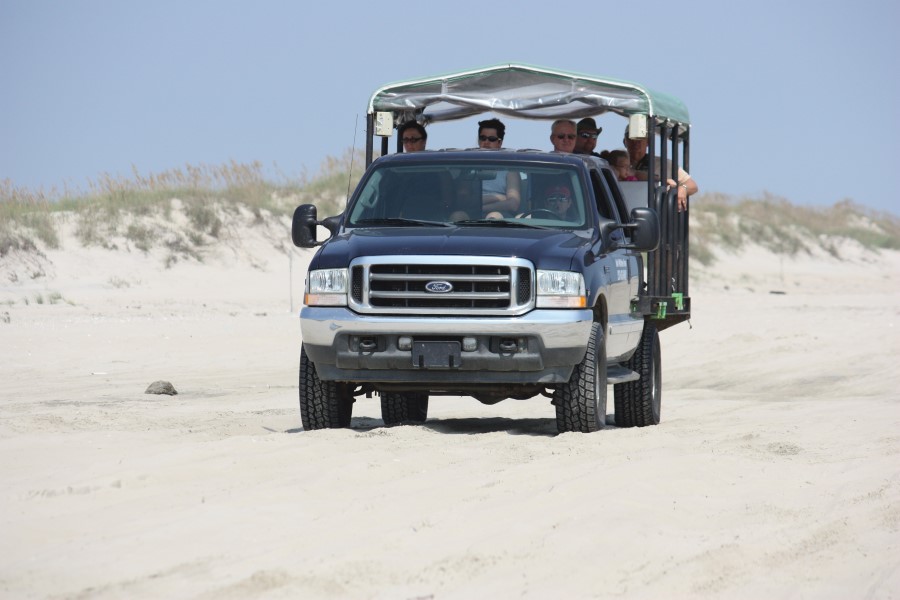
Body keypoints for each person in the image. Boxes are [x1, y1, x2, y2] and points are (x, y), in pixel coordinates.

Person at [624, 125, 698, 211]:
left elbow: (693, 185)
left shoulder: (665, 164)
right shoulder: (616, 163)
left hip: (655, 216)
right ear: (625, 142)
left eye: (640, 138)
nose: (635, 143)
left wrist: (683, 188)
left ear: (648, 142)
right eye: (631, 138)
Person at [477, 118, 521, 216]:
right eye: (483, 138)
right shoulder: (468, 169)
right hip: (470, 216)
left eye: (491, 139)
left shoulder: (510, 170)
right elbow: (464, 201)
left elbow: (513, 204)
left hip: (500, 219)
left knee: (494, 216)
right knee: (457, 216)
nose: (486, 142)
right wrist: (499, 197)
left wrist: (482, 208)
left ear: (500, 143)